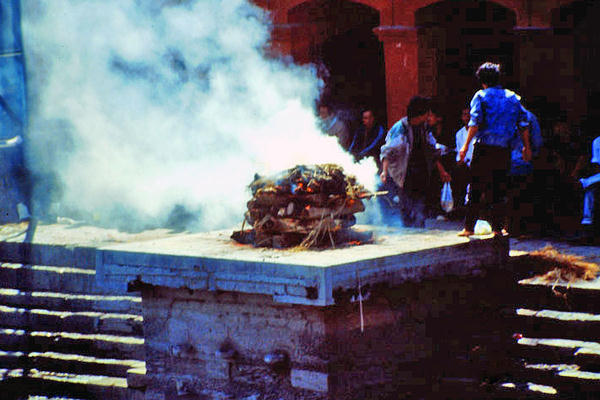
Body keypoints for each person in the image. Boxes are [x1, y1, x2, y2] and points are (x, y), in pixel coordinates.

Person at [458, 62, 531, 237]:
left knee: (475, 187)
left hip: (483, 148)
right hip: (503, 149)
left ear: (482, 81)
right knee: (499, 189)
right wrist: (526, 147)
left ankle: (469, 227)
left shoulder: (481, 96)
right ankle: (497, 229)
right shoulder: (513, 98)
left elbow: (474, 123)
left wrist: (465, 145)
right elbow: (523, 124)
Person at [379, 96, 451, 227]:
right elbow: (387, 151)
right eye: (427, 113)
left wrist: (442, 172)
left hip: (421, 174)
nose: (429, 116)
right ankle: (408, 232)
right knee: (407, 207)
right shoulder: (400, 129)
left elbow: (432, 150)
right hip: (404, 174)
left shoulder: (424, 128)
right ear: (420, 114)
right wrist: (384, 172)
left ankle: (419, 229)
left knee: (420, 207)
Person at [505, 107, 543, 236]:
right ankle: (523, 229)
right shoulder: (530, 116)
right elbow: (537, 142)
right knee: (524, 196)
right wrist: (532, 155)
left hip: (506, 162)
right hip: (524, 162)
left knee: (508, 196)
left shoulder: (503, 115)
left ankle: (509, 228)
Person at [452, 107, 475, 217]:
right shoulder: (459, 133)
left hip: (475, 163)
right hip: (464, 163)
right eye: (464, 115)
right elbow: (459, 150)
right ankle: (458, 209)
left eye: (469, 115)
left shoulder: (477, 131)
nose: (467, 117)